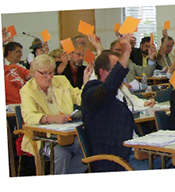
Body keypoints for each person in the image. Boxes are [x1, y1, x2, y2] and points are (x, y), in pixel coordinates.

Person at [20, 54, 88, 175]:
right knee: (61, 152)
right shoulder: (27, 90)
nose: (49, 77)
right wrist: (51, 118)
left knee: (87, 145)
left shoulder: (61, 81)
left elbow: (79, 98)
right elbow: (29, 116)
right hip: (43, 137)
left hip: (67, 133)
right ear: (34, 72)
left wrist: (86, 83)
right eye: (44, 73)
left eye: (51, 73)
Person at [81, 34, 139, 172]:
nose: (120, 73)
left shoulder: (120, 90)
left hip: (134, 151)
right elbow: (108, 89)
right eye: (116, 69)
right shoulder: (91, 91)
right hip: (116, 159)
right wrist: (126, 53)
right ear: (102, 72)